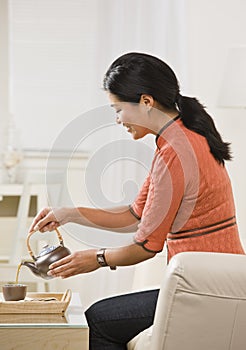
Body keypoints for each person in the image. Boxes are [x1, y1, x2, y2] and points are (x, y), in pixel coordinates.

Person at [29, 52, 245, 349]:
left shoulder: (175, 151)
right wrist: (68, 213)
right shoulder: (181, 137)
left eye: (118, 109)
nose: (117, 119)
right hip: (212, 281)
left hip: (207, 288)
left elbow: (147, 246)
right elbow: (135, 215)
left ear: (146, 101)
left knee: (96, 323)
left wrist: (94, 259)